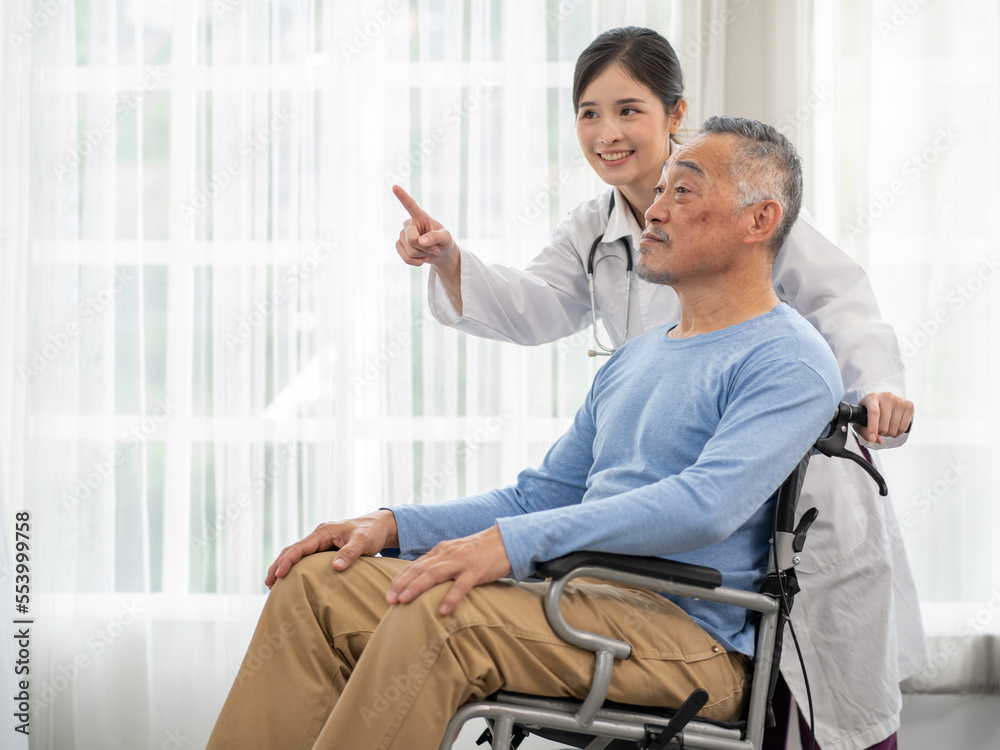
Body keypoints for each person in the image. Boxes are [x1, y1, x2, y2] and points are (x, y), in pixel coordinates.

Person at [206, 118, 842, 750]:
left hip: (688, 638)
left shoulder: (789, 358)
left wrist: (511, 547)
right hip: (573, 601)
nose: (654, 211)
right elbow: (538, 497)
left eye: (684, 193)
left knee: (443, 612)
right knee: (318, 587)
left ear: (760, 220)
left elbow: (706, 505)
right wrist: (391, 525)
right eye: (658, 192)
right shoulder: (635, 358)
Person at [393, 27, 923, 750]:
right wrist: (452, 260)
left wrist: (880, 387)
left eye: (628, 110)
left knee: (810, 702)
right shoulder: (594, 230)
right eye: (588, 112)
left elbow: (840, 306)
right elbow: (533, 308)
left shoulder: (741, 202)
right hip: (667, 503)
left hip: (770, 482)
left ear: (676, 115)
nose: (607, 133)